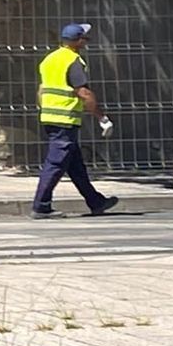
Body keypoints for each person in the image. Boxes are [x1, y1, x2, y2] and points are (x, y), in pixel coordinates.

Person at [33, 23, 119, 218]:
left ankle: (96, 202)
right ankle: (41, 206)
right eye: (85, 38)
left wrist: (43, 109)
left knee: (74, 164)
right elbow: (84, 92)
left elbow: (41, 89)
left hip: (50, 116)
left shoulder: (50, 59)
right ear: (78, 40)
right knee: (55, 164)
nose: (87, 41)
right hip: (65, 118)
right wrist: (102, 118)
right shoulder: (73, 61)